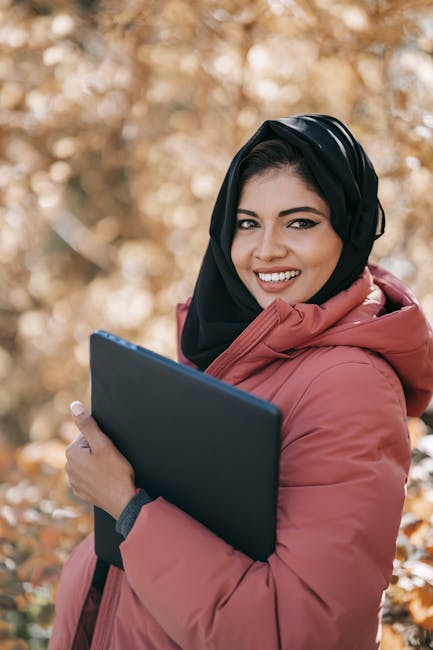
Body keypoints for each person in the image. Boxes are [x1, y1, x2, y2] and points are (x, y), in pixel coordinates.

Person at [49, 114, 433, 650]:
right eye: (248, 222)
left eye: (299, 222)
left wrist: (126, 506)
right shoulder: (240, 349)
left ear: (350, 231)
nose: (266, 250)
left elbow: (305, 632)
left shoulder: (350, 386)